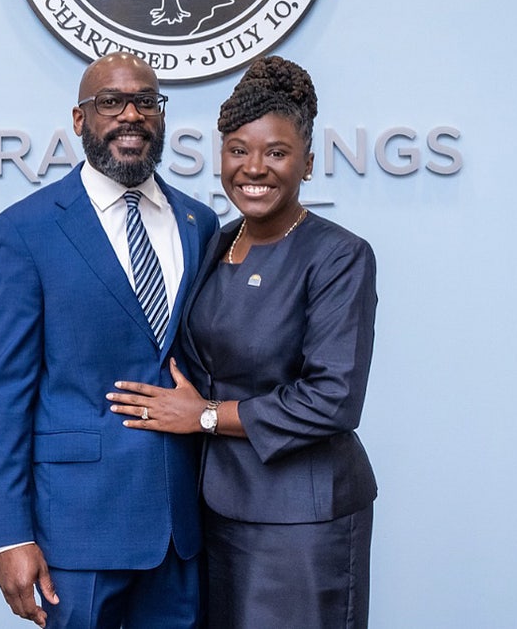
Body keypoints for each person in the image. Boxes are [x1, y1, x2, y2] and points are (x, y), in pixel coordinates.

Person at [107, 56, 379, 628]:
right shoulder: (214, 240)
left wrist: (203, 416)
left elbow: (333, 397)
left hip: (301, 521)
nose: (254, 168)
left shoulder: (338, 255)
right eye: (237, 150)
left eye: (276, 153)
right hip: (215, 512)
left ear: (307, 162)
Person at [0, 52, 219, 628]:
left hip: (180, 529)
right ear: (80, 119)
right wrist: (11, 536)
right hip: (76, 534)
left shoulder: (199, 222)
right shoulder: (27, 229)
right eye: (111, 102)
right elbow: (1, 391)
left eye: (145, 102)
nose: (130, 115)